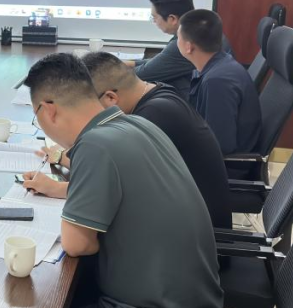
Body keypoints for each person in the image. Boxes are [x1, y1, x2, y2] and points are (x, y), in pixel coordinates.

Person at [25, 54, 221, 308]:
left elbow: (77, 244)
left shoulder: (93, 146)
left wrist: (92, 236)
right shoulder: (135, 124)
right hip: (194, 306)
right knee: (73, 296)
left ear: (49, 110)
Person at [80, 52, 232, 229]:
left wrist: (58, 174)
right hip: (183, 218)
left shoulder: (152, 116)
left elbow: (110, 184)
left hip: (198, 235)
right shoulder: (157, 92)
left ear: (110, 98)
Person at [179, 9, 263, 156]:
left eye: (178, 37)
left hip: (225, 165)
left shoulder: (217, 82)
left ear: (188, 46)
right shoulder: (219, 64)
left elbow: (220, 146)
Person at [130, 0, 206, 99]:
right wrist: (130, 63)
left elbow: (141, 74)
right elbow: (162, 61)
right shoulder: (200, 27)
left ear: (172, 19)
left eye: (154, 17)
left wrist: (109, 71)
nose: (154, 21)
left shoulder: (186, 43)